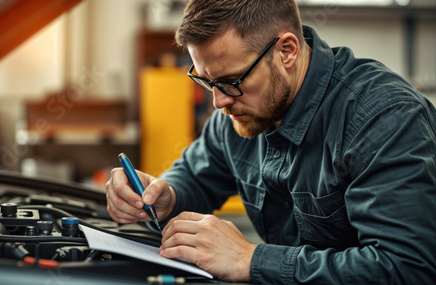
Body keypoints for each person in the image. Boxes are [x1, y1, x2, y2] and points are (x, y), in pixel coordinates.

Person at [106, 0, 436, 283]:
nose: (218, 102)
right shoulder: (241, 110)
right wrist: (167, 195)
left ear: (286, 52)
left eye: (230, 80)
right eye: (207, 82)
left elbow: (407, 268)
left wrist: (250, 260)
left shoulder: (383, 118)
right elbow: (195, 175)